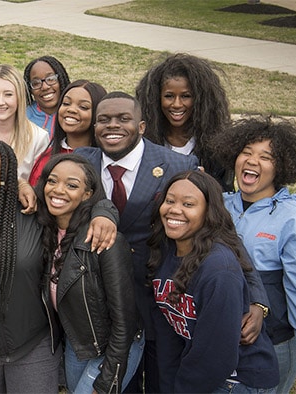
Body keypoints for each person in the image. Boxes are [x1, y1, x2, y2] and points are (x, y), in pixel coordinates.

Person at [75, 91, 270, 393]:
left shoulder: (176, 163)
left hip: (162, 307)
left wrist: (256, 299)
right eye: (104, 120)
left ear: (141, 126)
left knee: (161, 384)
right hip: (105, 306)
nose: (113, 126)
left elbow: (223, 230)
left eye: (123, 119)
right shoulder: (80, 162)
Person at [0, 140, 118, 393]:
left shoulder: (31, 211)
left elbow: (74, 201)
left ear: (7, 181)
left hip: (33, 346)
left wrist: (105, 211)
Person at [212, 115, 296, 394]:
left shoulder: (294, 221)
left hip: (272, 346)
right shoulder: (220, 205)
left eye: (266, 157)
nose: (253, 161)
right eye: (247, 152)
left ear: (282, 167)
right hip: (220, 340)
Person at [147, 170, 279, 392]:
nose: (175, 209)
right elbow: (170, 332)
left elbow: (216, 357)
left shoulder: (219, 271)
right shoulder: (166, 250)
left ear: (209, 212)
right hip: (197, 373)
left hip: (234, 380)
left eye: (188, 204)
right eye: (169, 201)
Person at [35, 153, 139, 393]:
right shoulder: (43, 230)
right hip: (79, 341)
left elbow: (124, 322)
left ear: (88, 195)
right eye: (52, 181)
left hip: (113, 344)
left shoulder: (103, 240)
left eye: (72, 185)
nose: (58, 190)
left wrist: (109, 378)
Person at [135, 53, 234, 191]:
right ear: (156, 99)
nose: (176, 104)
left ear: (200, 100)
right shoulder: (143, 141)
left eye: (186, 96)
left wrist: (208, 186)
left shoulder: (218, 146)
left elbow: (226, 195)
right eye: (169, 96)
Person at [29, 79, 107, 185]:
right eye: (66, 103)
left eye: (83, 107)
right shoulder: (46, 157)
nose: (71, 109)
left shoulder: (105, 161)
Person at [23, 56, 71, 138]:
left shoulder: (72, 113)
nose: (45, 87)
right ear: (29, 89)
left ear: (61, 80)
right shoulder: (23, 116)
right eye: (36, 83)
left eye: (51, 79)